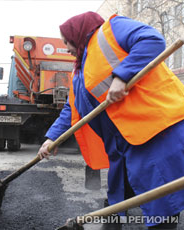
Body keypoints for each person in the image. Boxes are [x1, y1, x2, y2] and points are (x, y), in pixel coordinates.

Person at [37, 12, 184, 229]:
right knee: (117, 201)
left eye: (66, 41)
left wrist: (122, 76)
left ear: (76, 34)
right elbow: (72, 109)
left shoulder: (112, 29)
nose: (66, 47)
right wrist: (52, 138)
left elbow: (153, 40)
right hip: (122, 144)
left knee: (160, 205)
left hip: (152, 132)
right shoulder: (79, 72)